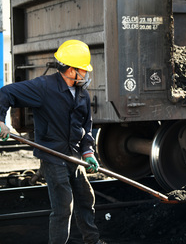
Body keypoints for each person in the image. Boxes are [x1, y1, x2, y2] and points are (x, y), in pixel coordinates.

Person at [0, 40, 106, 244]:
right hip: (52, 155)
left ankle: (92, 241)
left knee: (86, 198)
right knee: (63, 206)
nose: (85, 74)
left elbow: (86, 126)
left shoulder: (82, 94)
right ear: (70, 70)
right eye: (82, 70)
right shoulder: (43, 87)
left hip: (74, 156)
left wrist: (89, 152)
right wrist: (0, 121)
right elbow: (6, 93)